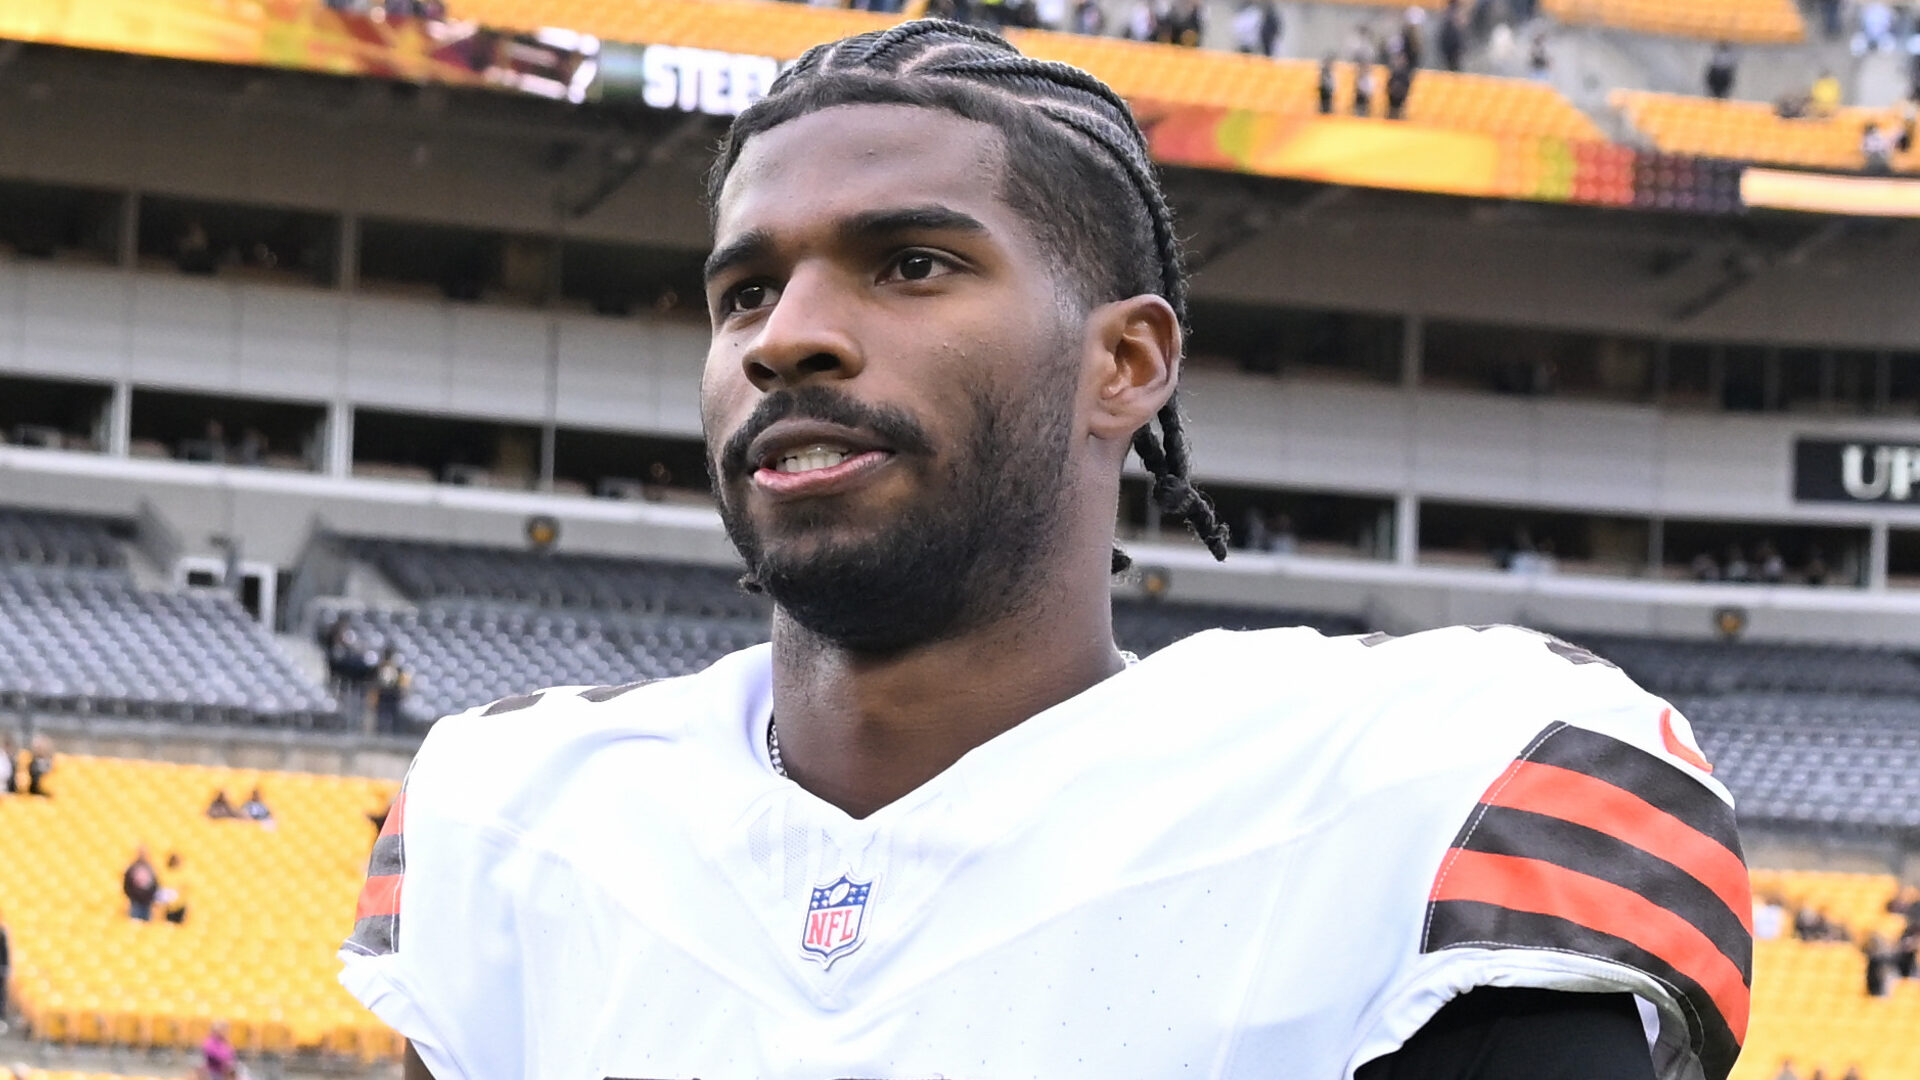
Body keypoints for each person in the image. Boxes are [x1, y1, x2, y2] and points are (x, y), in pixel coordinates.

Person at [341, 21, 1750, 1080]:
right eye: (747, 291)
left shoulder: (1434, 791)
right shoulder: (513, 820)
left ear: (1125, 363)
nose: (787, 338)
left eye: (911, 264)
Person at [371, 648, 413, 734]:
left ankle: (394, 733)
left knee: (393, 715)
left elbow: (402, 682)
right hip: (383, 694)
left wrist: (403, 691)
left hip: (393, 694)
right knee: (381, 715)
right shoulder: (379, 668)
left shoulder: (396, 669)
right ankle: (380, 733)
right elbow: (375, 683)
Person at [123, 848, 158, 922]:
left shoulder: (150, 868)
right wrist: (132, 896)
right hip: (135, 902)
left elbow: (155, 883)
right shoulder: (132, 867)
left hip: (147, 902)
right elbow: (127, 884)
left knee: (147, 925)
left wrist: (151, 896)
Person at [160, 852, 191, 925]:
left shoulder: (183, 874)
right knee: (169, 925)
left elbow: (186, 889)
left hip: (180, 905)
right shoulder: (167, 873)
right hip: (169, 905)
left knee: (179, 926)